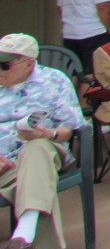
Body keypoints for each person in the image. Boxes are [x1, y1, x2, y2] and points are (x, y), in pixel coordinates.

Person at [0, 33, 86, 249]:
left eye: (5, 65)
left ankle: (25, 230)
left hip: (44, 152)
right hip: (6, 166)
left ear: (29, 63)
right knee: (35, 184)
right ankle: (26, 232)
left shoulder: (54, 81)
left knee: (36, 149)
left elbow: (71, 128)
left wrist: (46, 134)